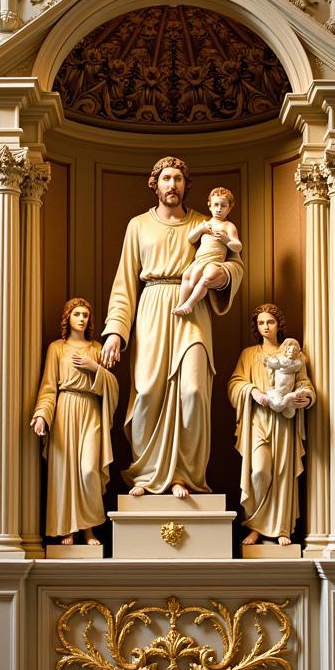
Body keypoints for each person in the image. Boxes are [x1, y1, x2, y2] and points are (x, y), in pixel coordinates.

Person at [101, 156, 243, 497]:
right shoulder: (138, 225)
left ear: (186, 185)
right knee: (148, 392)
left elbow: (236, 264)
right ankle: (148, 477)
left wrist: (223, 275)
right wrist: (116, 331)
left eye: (178, 178)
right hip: (151, 307)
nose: (172, 184)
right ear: (155, 183)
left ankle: (186, 475)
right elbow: (124, 283)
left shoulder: (206, 221)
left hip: (192, 307)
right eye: (166, 178)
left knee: (193, 391)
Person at [31, 298, 118, 546]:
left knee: (89, 470)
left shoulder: (96, 349)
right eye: (77, 314)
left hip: (90, 410)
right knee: (64, 472)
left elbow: (112, 387)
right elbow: (49, 387)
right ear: (68, 317)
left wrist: (95, 368)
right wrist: (41, 415)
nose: (82, 319)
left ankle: (89, 529)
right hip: (65, 410)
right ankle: (67, 528)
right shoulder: (57, 348)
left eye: (86, 315)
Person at [228, 305, 314, 546]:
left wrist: (305, 397)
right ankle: (255, 524)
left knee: (282, 475)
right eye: (261, 323)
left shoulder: (294, 354)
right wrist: (252, 391)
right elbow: (235, 384)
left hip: (284, 422)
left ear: (279, 324)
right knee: (260, 471)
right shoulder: (249, 355)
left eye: (270, 322)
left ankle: (281, 529)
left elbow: (306, 384)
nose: (265, 327)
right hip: (258, 421)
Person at [172, 187, 243, 316]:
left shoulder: (228, 226)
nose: (219, 209)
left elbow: (238, 246)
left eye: (223, 206)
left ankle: (189, 304)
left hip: (214, 261)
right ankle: (180, 303)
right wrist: (200, 230)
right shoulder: (205, 224)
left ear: (229, 208)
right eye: (216, 205)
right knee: (187, 276)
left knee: (206, 279)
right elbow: (191, 238)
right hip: (200, 260)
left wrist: (227, 240)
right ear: (210, 206)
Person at [263, 338, 310, 418]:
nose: (291, 353)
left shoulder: (298, 362)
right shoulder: (281, 359)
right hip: (277, 392)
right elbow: (274, 364)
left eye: (294, 351)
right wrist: (255, 392)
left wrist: (307, 397)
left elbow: (303, 381)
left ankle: (287, 401)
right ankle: (285, 399)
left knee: (290, 413)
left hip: (288, 392)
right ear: (286, 350)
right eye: (290, 351)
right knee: (278, 405)